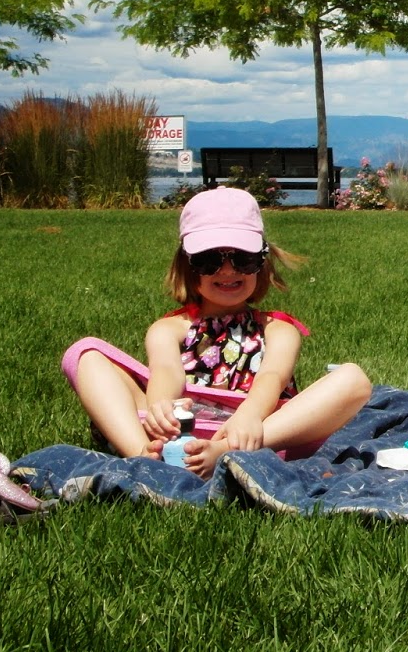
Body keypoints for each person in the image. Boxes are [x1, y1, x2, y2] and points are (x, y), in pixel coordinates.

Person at [61, 187, 371, 478]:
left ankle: (226, 454)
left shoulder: (277, 328)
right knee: (86, 353)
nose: (227, 270)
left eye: (243, 259)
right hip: (181, 427)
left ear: (262, 262)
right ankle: (144, 455)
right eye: (209, 260)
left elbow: (272, 377)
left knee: (353, 379)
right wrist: (161, 407)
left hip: (261, 433)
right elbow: (166, 370)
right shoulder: (169, 328)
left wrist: (249, 417)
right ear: (187, 264)